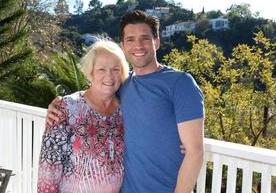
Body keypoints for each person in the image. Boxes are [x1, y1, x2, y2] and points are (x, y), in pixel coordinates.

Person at [46, 10, 204, 193]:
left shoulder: (180, 83)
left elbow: (195, 152)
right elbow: (95, 94)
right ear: (122, 45)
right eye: (130, 39)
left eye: (145, 38)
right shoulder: (123, 84)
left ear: (157, 41)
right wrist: (60, 107)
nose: (138, 45)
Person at [37, 38, 129, 193]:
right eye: (101, 69)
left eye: (115, 69)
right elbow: (49, 170)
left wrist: (182, 143)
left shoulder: (127, 110)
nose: (109, 76)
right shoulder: (67, 108)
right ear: (91, 72)